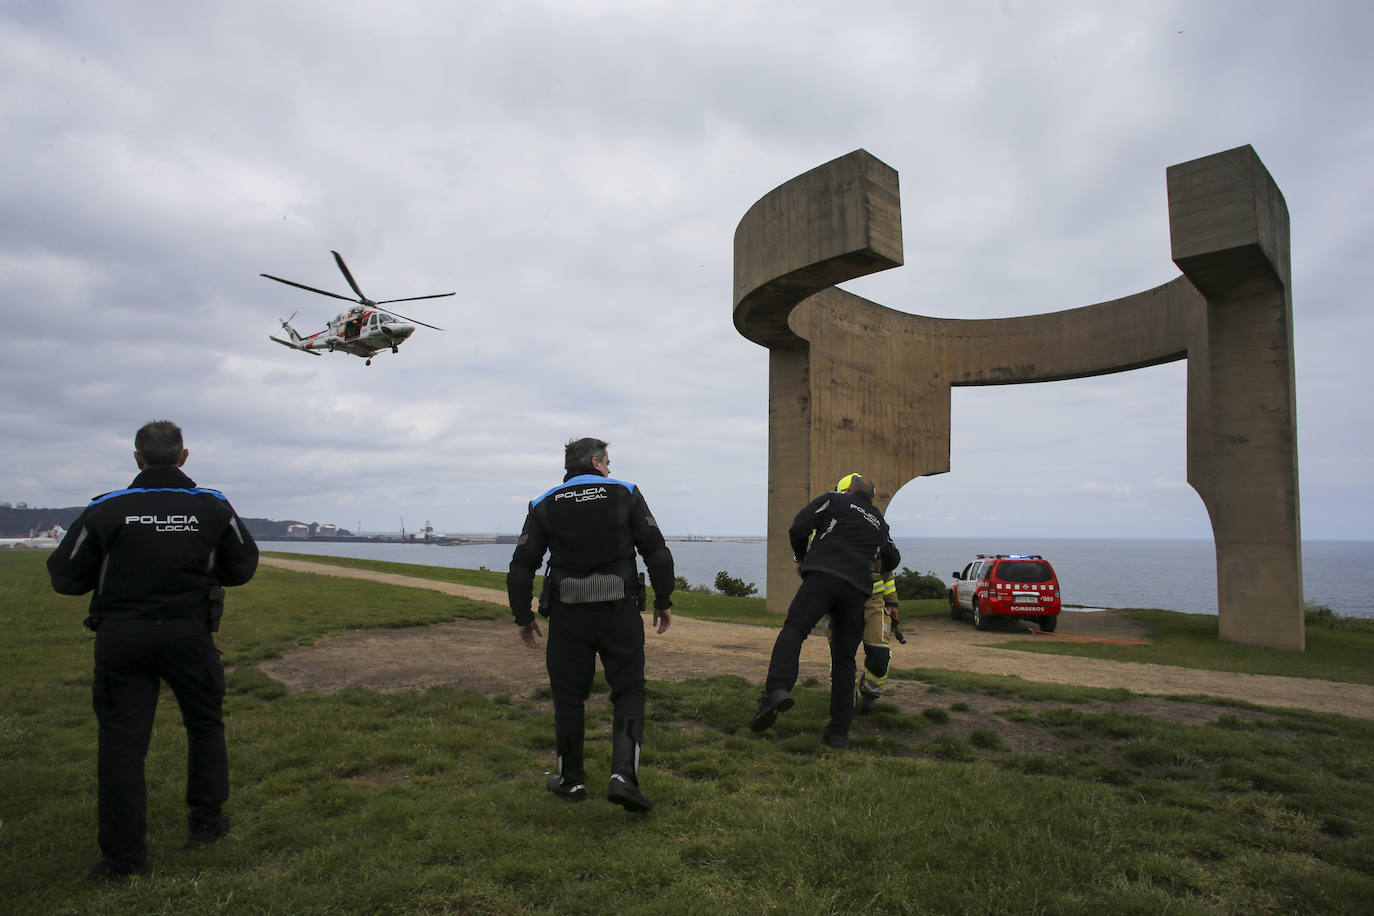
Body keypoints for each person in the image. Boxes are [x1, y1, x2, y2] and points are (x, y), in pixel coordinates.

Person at [47, 421, 259, 880]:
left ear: (138, 458)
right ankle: (207, 823)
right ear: (184, 457)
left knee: (122, 745)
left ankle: (123, 861)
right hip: (189, 635)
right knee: (205, 727)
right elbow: (242, 566)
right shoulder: (213, 506)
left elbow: (65, 577)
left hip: (123, 637)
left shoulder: (107, 508)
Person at [507, 437, 675, 812]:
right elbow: (657, 552)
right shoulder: (626, 492)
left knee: (568, 698)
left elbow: (521, 568)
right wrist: (663, 601)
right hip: (620, 611)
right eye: (609, 462)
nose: (611, 469)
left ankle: (571, 780)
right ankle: (623, 777)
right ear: (597, 463)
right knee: (629, 689)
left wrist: (523, 616)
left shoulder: (543, 503)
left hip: (569, 617)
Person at [749, 473, 899, 748]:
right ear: (871, 497)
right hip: (856, 591)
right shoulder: (879, 522)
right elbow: (893, 557)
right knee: (844, 659)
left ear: (848, 490)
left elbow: (798, 528)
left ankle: (777, 691)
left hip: (823, 576)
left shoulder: (833, 501)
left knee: (794, 630)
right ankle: (838, 732)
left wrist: (802, 557)